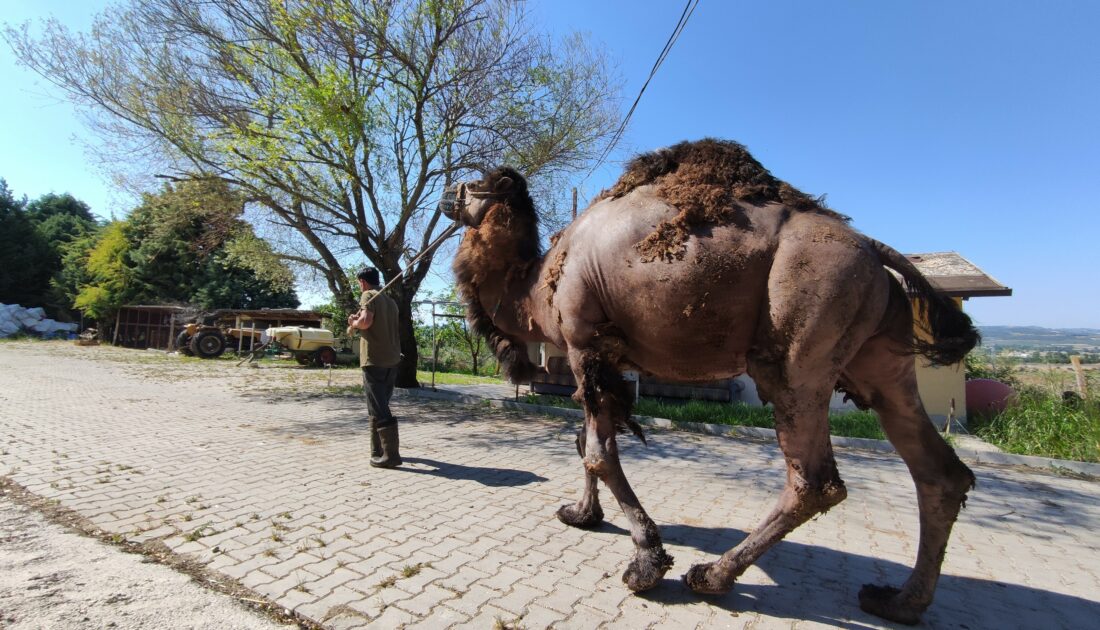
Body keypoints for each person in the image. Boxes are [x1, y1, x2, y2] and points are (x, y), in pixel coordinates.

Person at [348, 267, 403, 468]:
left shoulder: (368, 295)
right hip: (392, 359)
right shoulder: (390, 301)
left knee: (378, 407)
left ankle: (391, 455)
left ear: (362, 281)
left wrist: (354, 323)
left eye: (358, 283)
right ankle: (377, 450)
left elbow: (365, 322)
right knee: (377, 405)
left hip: (374, 359)